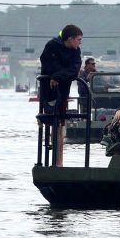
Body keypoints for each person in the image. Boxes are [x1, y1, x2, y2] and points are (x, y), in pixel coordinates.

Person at [38, 24, 83, 166]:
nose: (80, 42)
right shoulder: (52, 46)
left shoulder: (76, 51)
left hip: (63, 89)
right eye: (78, 39)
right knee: (51, 120)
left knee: (60, 124)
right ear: (70, 39)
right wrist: (56, 76)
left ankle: (59, 162)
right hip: (49, 90)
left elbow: (74, 69)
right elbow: (48, 64)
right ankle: (51, 156)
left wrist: (58, 76)